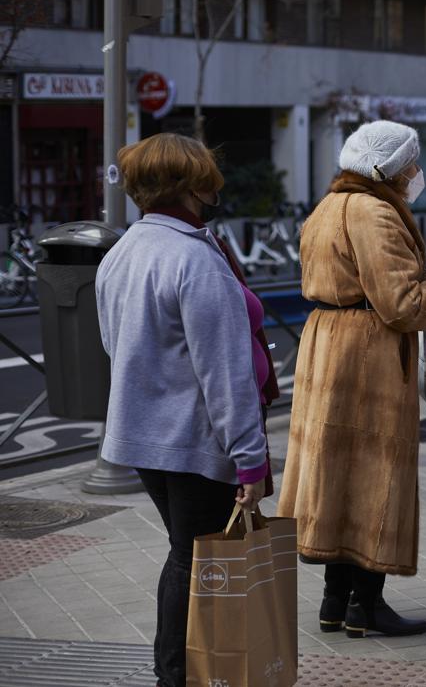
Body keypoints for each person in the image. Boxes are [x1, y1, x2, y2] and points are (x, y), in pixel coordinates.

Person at [97, 133, 277, 686]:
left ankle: (183, 673)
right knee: (196, 560)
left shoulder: (125, 250)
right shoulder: (194, 260)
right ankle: (177, 676)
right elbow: (226, 375)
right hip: (196, 441)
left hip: (146, 437)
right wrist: (251, 462)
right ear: (195, 185)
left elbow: (116, 344)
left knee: (188, 553)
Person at [277, 121, 426, 639]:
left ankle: (334, 602)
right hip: (368, 354)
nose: (415, 172)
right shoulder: (373, 212)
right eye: (410, 163)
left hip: (327, 345)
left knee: (339, 473)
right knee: (372, 472)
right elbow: (402, 304)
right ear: (388, 169)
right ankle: (367, 603)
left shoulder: (327, 207)